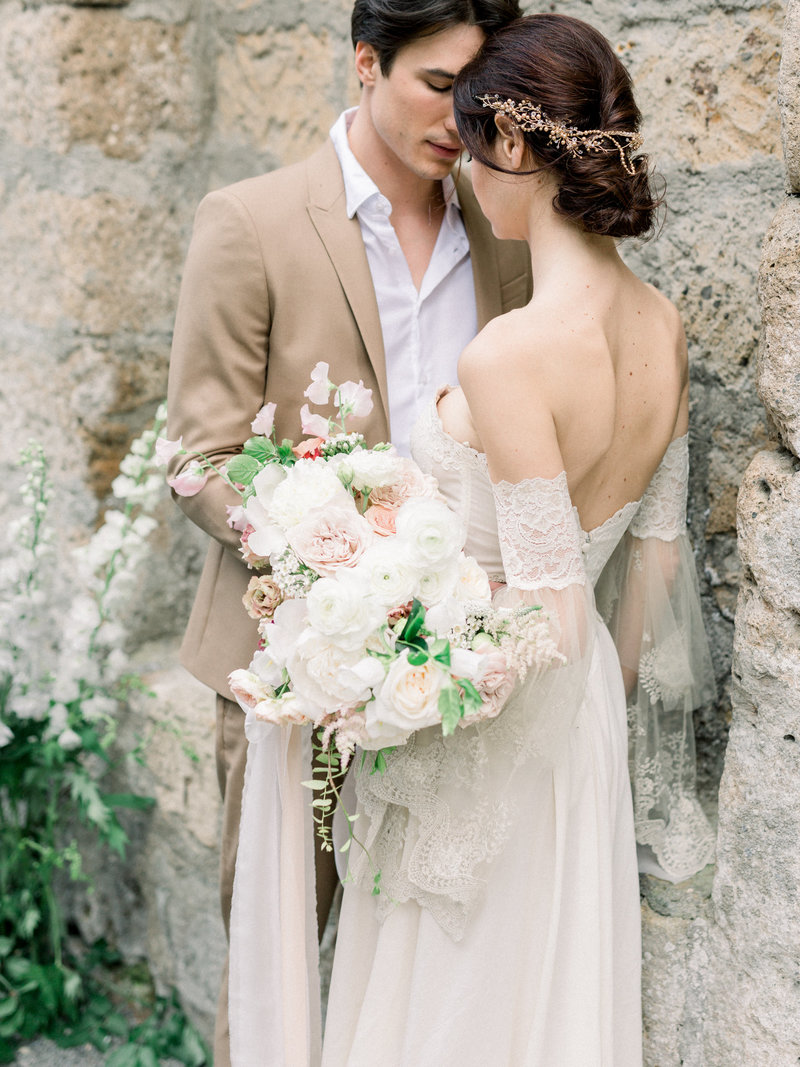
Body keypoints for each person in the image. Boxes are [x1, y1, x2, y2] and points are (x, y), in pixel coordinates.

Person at [319, 13, 716, 1065]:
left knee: (451, 1002)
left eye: (468, 145)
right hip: (579, 719)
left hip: (486, 720)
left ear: (510, 146)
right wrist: (596, 714)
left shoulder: (507, 356)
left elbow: (536, 603)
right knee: (547, 995)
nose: (460, 177)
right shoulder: (662, 326)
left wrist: (404, 668)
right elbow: (653, 562)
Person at [165, 1, 528, 1063]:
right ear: (365, 63)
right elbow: (199, 456)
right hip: (295, 657)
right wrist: (342, 566)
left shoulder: (500, 234)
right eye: (434, 84)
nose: (456, 121)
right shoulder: (251, 219)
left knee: (424, 969)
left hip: (453, 671)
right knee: (274, 959)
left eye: (478, 96)